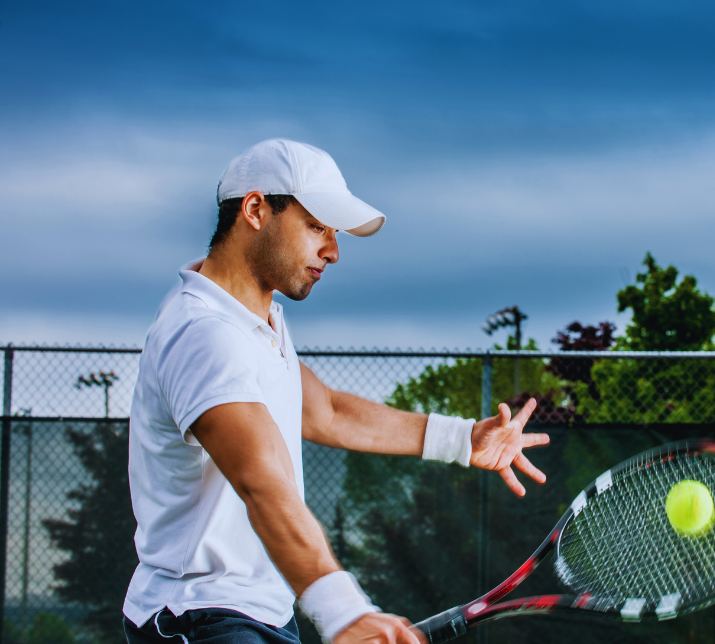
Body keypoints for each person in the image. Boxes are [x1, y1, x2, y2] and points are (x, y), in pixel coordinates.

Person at [122, 139, 549, 644]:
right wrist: (344, 610)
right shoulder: (204, 334)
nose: (334, 251)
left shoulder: (254, 321)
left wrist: (463, 439)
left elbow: (324, 411)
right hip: (199, 616)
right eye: (316, 227)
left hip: (257, 612)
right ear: (256, 209)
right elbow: (261, 479)